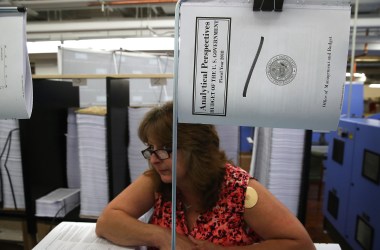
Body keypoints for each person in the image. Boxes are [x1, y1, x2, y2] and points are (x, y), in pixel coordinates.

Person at [96, 101, 316, 250]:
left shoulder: (239, 189)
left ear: (195, 149)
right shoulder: (158, 180)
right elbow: (107, 221)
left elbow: (301, 245)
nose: (154, 159)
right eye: (151, 148)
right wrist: (162, 237)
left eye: (164, 148)